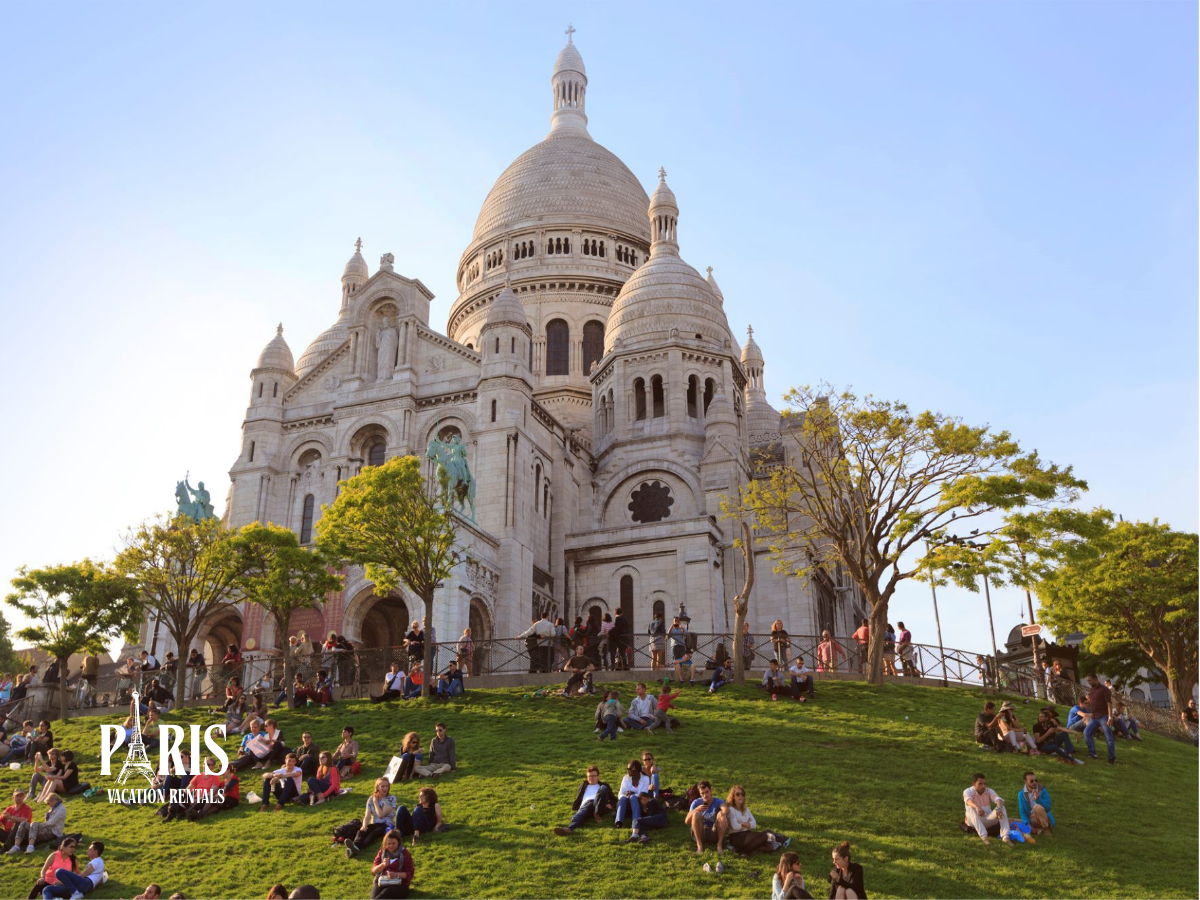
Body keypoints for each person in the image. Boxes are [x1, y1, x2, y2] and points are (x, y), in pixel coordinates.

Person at [725, 785, 787, 856]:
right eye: (738, 794)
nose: (741, 796)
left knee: (769, 847)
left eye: (743, 794)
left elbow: (754, 824)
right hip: (736, 836)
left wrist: (741, 824)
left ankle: (740, 849)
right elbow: (735, 827)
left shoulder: (746, 810)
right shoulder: (731, 810)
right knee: (764, 836)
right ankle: (744, 853)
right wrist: (747, 825)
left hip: (747, 834)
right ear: (733, 797)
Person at [554, 765, 615, 836]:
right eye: (589, 776)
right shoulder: (584, 785)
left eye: (593, 776)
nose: (591, 778)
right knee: (587, 805)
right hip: (586, 806)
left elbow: (614, 799)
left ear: (598, 776)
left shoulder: (603, 785)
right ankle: (569, 828)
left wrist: (610, 804)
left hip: (599, 806)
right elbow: (578, 797)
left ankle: (596, 813)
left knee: (603, 788)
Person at [346, 778, 399, 859]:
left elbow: (381, 815)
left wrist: (375, 802)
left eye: (387, 786)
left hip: (386, 824)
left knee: (373, 833)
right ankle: (353, 848)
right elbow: (367, 815)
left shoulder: (391, 799)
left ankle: (356, 848)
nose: (385, 788)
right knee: (362, 831)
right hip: (374, 823)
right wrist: (364, 825)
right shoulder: (371, 798)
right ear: (377, 787)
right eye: (383, 786)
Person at [962, 773, 1011, 846]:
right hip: (974, 821)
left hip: (987, 819)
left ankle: (1005, 837)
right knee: (970, 808)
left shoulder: (989, 791)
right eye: (980, 784)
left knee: (1002, 807)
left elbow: (998, 799)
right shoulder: (968, 791)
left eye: (985, 784)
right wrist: (977, 807)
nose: (983, 786)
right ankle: (984, 837)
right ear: (974, 783)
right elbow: (968, 800)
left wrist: (998, 807)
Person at [686, 781, 727, 862]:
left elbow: (725, 808)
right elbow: (687, 821)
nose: (705, 795)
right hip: (701, 831)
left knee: (721, 814)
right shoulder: (696, 802)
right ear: (700, 793)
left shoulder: (718, 801)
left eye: (707, 792)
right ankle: (699, 845)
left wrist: (723, 814)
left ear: (711, 790)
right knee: (696, 814)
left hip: (714, 831)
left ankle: (719, 844)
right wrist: (696, 809)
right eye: (702, 793)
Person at [612, 760, 652, 844]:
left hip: (639, 803)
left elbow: (643, 794)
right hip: (626, 803)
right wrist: (626, 796)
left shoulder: (645, 778)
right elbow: (621, 793)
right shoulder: (626, 778)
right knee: (622, 798)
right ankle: (619, 821)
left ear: (635, 770)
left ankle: (636, 821)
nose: (628, 771)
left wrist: (633, 795)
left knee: (633, 797)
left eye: (629, 769)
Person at [1083, 674, 1117, 764]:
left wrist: (1110, 717)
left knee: (1108, 737)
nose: (1089, 682)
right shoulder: (1092, 690)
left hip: (1104, 716)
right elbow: (1091, 701)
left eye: (1090, 680)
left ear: (1095, 679)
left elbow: (1109, 704)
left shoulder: (1104, 690)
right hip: (1094, 717)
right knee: (1086, 732)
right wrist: (1087, 701)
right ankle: (1093, 753)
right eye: (1088, 681)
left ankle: (1112, 758)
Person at [370, 829, 414, 899]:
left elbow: (410, 873)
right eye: (388, 844)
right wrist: (382, 865)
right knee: (373, 897)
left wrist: (396, 875)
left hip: (399, 884)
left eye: (393, 843)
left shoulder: (404, 853)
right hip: (381, 881)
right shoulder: (382, 852)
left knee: (381, 897)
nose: (391, 846)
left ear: (398, 842)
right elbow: (373, 871)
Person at [1017, 771, 1054, 835]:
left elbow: (1048, 808)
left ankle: (1045, 828)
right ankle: (1037, 830)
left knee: (1037, 807)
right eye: (1031, 781)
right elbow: (1022, 811)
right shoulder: (1021, 794)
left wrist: (1038, 799)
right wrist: (1027, 824)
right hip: (1032, 818)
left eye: (1035, 780)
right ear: (1025, 781)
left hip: (1044, 817)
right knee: (1012, 821)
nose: (1034, 782)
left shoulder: (1042, 790)